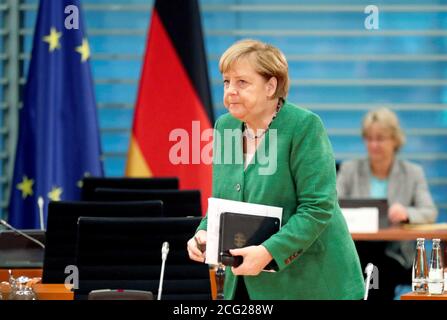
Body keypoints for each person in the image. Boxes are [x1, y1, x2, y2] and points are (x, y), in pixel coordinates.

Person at [186, 39, 365, 300]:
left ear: (271, 86)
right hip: (246, 282)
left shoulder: (304, 126)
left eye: (242, 82)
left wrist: (269, 251)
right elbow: (225, 201)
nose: (230, 91)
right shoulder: (225, 126)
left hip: (311, 284)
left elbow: (317, 207)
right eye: (226, 82)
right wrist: (204, 232)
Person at [336, 107, 438, 300]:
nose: (374, 144)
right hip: (355, 248)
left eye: (380, 138)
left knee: (379, 270)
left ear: (395, 140)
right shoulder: (350, 170)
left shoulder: (412, 173)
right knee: (361, 267)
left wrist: (407, 213)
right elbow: (332, 205)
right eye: (369, 138)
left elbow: (429, 211)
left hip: (395, 252)